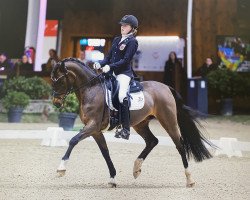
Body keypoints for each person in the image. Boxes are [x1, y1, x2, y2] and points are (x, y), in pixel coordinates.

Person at [93, 15, 139, 140]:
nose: (122, 27)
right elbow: (108, 58)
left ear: (132, 28)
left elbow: (125, 60)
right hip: (112, 72)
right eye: (122, 25)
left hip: (124, 74)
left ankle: (125, 129)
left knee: (121, 96)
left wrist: (110, 67)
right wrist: (100, 63)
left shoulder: (132, 42)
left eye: (125, 25)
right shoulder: (116, 39)